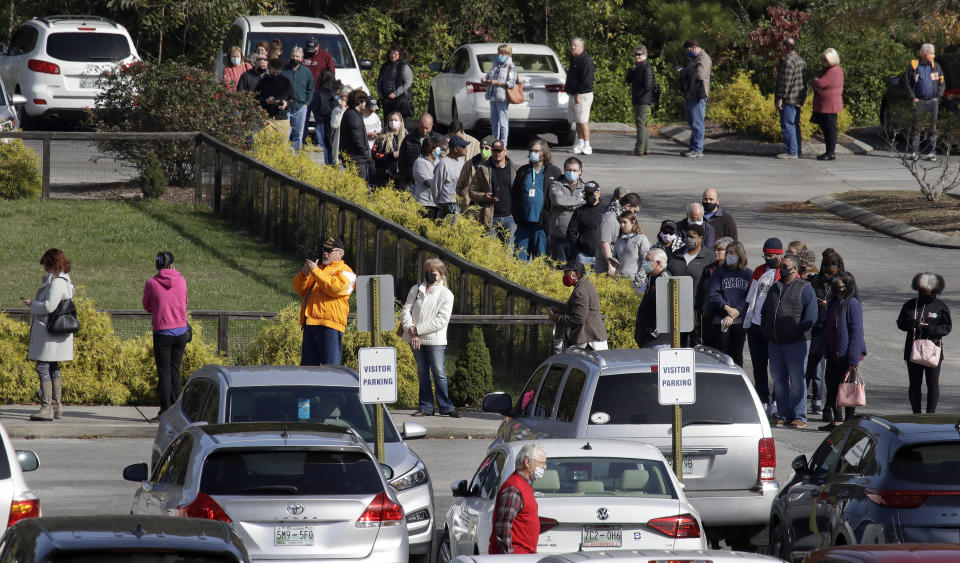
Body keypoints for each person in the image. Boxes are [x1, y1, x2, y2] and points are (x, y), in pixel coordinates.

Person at [761, 253, 818, 428]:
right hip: (775, 343)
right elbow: (764, 312)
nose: (782, 269)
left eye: (785, 266)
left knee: (797, 379)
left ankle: (799, 416)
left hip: (797, 343)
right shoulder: (775, 287)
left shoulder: (805, 288)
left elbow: (811, 317)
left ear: (795, 268)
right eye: (781, 266)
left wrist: (795, 332)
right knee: (779, 380)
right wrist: (767, 330)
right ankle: (783, 414)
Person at [401, 258, 459, 417]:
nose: (429, 274)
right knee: (422, 372)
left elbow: (441, 320)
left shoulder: (447, 295)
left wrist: (417, 330)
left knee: (439, 371)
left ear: (440, 275)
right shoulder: (416, 289)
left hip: (435, 340)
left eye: (432, 272)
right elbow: (406, 310)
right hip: (414, 338)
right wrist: (411, 329)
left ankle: (446, 407)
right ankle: (426, 407)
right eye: (427, 271)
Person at [22, 248, 75, 422]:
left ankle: (47, 408)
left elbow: (49, 306)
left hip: (49, 333)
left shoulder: (57, 282)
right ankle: (57, 406)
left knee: (42, 367)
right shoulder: (66, 280)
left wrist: (32, 304)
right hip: (56, 333)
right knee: (53, 367)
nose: (44, 268)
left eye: (46, 264)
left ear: (52, 263)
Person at [293, 236, 357, 366]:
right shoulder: (319, 270)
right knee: (308, 370)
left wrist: (315, 271)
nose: (325, 253)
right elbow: (301, 290)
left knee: (331, 369)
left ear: (340, 254)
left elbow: (334, 288)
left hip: (330, 326)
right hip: (310, 323)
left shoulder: (347, 272)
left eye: (329, 250)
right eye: (324, 249)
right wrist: (304, 275)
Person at [142, 250, 189, 417]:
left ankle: (165, 411)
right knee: (175, 370)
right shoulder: (182, 281)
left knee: (164, 373)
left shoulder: (152, 283)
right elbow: (185, 302)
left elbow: (146, 306)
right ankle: (177, 411)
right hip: (181, 331)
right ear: (172, 265)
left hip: (163, 332)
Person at [897, 272, 952, 414]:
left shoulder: (941, 307)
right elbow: (901, 323)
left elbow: (947, 327)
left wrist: (930, 329)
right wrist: (914, 324)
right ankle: (916, 413)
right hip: (913, 349)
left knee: (932, 384)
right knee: (915, 384)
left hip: (933, 350)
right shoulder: (910, 305)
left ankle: (930, 413)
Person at [818, 271, 866, 430]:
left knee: (848, 388)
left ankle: (849, 421)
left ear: (846, 287)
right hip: (833, 354)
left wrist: (853, 359)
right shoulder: (833, 303)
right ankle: (837, 419)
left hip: (846, 356)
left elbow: (857, 333)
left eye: (838, 284)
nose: (834, 286)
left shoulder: (852, 304)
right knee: (832, 386)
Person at [743, 238, 783, 412]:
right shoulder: (759, 271)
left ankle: (776, 400)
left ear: (779, 255)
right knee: (759, 365)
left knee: (777, 367)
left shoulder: (785, 272)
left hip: (774, 327)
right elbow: (750, 296)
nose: (768, 258)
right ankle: (763, 399)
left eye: (771, 255)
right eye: (765, 255)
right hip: (756, 325)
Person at [806, 249, 845, 415]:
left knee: (830, 375)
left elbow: (846, 306)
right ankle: (802, 405)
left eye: (832, 273)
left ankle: (829, 408)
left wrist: (827, 305)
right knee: (810, 368)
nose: (829, 277)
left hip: (834, 332)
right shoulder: (816, 280)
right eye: (827, 271)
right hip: (817, 330)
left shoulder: (843, 282)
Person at [489, 443, 547, 554]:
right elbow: (503, 528)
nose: (545, 467)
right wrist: (511, 558)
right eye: (542, 463)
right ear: (527, 462)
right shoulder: (514, 488)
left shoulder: (524, 485)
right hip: (515, 557)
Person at [513, 138, 560, 260]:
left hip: (542, 226)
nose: (533, 153)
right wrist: (516, 216)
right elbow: (515, 195)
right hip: (524, 225)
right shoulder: (523, 171)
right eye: (531, 150)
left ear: (544, 152)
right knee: (519, 260)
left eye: (537, 151)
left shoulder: (554, 171)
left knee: (541, 262)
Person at [706, 241, 751, 366]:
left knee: (737, 355)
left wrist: (734, 313)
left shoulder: (748, 273)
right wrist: (727, 309)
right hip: (720, 319)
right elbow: (713, 294)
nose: (729, 255)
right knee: (722, 355)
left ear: (740, 254)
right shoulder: (719, 272)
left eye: (732, 252)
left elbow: (749, 297)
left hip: (739, 320)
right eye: (728, 252)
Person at [548, 262, 608, 351]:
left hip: (589, 341)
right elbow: (578, 309)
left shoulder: (580, 291)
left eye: (566, 272)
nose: (564, 275)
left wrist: (557, 318)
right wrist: (562, 310)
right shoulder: (584, 285)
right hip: (592, 339)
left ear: (577, 274)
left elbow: (578, 318)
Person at [468, 139, 518, 244]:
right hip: (490, 217)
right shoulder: (483, 169)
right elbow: (472, 191)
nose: (497, 154)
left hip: (510, 218)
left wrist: (516, 214)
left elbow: (520, 194)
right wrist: (484, 196)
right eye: (495, 151)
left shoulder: (514, 169)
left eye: (500, 151)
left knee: (508, 252)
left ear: (505, 151)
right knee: (490, 252)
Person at [668, 223, 711, 345]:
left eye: (692, 236)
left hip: (697, 313)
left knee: (696, 345)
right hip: (676, 311)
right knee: (677, 345)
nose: (688, 239)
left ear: (701, 238)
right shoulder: (675, 255)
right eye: (686, 236)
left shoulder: (709, 258)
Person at [905, 43, 945, 161]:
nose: (933, 55)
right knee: (917, 127)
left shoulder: (936, 67)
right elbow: (906, 82)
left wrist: (937, 97)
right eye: (931, 53)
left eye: (933, 53)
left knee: (932, 127)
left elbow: (942, 83)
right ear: (923, 54)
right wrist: (913, 97)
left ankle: (932, 152)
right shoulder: (914, 66)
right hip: (919, 101)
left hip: (932, 101)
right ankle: (914, 152)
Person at [547, 157, 585, 262]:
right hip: (558, 237)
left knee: (575, 272)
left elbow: (589, 203)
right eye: (569, 170)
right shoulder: (556, 185)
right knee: (558, 269)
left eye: (574, 170)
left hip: (577, 238)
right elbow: (558, 200)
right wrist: (579, 200)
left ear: (580, 172)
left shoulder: (585, 188)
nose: (571, 172)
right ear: (564, 170)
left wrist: (567, 202)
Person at [774, 38, 807, 159]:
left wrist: (780, 98)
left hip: (789, 99)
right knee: (795, 125)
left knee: (787, 124)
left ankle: (792, 151)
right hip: (798, 98)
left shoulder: (787, 61)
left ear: (786, 48)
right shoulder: (800, 60)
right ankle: (797, 149)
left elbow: (785, 82)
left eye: (782, 46)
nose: (781, 48)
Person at [678, 39, 712, 158]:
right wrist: (683, 72)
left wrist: (684, 72)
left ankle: (698, 149)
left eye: (689, 51)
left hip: (699, 94)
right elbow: (690, 72)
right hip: (690, 93)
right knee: (692, 122)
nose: (688, 54)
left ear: (694, 47)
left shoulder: (704, 58)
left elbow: (700, 75)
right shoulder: (694, 59)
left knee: (698, 122)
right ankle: (692, 147)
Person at [482, 44, 518, 147]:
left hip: (502, 97)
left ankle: (503, 145)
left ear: (509, 54)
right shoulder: (495, 64)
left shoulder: (511, 66)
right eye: (500, 53)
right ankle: (495, 142)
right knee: (494, 120)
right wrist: (485, 78)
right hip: (492, 95)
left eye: (504, 53)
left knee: (503, 122)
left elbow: (511, 84)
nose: (501, 55)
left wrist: (497, 83)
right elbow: (489, 75)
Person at [700, 236, 733, 347]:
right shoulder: (708, 269)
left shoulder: (736, 270)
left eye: (719, 250)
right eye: (715, 249)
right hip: (709, 315)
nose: (716, 252)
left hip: (727, 316)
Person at [598, 192, 643, 275]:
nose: (635, 215)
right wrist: (610, 264)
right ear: (628, 206)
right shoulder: (610, 218)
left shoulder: (625, 219)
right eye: (634, 211)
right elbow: (604, 243)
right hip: (606, 267)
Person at [811, 48, 844, 161]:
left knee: (830, 129)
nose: (823, 62)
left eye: (826, 60)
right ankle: (828, 151)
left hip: (830, 105)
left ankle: (830, 153)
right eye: (823, 59)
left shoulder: (834, 70)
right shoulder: (826, 69)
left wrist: (815, 80)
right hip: (824, 105)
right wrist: (816, 82)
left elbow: (820, 82)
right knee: (826, 129)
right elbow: (818, 83)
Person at [634, 248, 671, 347]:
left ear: (658, 263)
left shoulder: (665, 279)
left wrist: (652, 333)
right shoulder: (651, 277)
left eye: (648, 260)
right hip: (646, 339)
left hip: (658, 341)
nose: (645, 262)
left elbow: (666, 311)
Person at [282, 46, 315, 153]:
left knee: (298, 136)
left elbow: (310, 89)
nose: (295, 58)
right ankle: (283, 158)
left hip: (300, 108)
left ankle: (296, 157)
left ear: (301, 58)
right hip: (285, 108)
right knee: (284, 135)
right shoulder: (284, 70)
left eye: (297, 56)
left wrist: (306, 104)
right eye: (293, 56)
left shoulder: (307, 72)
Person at [566, 38, 595, 155]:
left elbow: (587, 81)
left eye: (576, 45)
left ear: (582, 48)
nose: (573, 47)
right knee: (577, 121)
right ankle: (580, 144)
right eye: (572, 45)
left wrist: (578, 93)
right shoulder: (574, 59)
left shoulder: (585, 61)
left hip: (582, 95)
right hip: (574, 95)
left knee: (583, 121)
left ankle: (587, 145)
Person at [625, 44, 656, 156]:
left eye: (639, 54)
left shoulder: (647, 67)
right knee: (643, 124)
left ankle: (639, 149)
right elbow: (627, 80)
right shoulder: (637, 67)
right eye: (635, 54)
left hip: (643, 99)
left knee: (640, 123)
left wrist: (638, 95)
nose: (637, 56)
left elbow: (647, 86)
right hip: (638, 98)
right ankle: (646, 148)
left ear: (645, 55)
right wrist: (631, 70)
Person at [566, 181, 605, 270]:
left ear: (598, 193)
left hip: (602, 257)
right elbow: (571, 232)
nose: (589, 196)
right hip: (584, 257)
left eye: (591, 193)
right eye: (587, 193)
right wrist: (578, 252)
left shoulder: (606, 210)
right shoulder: (579, 211)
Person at [255, 58, 293, 143]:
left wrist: (286, 103)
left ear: (281, 70)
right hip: (267, 119)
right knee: (266, 147)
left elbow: (293, 100)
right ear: (269, 68)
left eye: (278, 73)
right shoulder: (263, 81)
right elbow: (255, 99)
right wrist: (265, 101)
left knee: (282, 150)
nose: (275, 75)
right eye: (273, 73)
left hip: (283, 120)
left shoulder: (286, 82)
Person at [399, 114, 443, 188]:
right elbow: (401, 162)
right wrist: (408, 178)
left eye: (427, 128)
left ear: (432, 125)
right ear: (418, 124)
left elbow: (440, 159)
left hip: (432, 182)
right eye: (422, 127)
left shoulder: (437, 140)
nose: (424, 131)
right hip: (411, 183)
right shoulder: (408, 140)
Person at [612, 210, 651, 293]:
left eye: (624, 222)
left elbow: (647, 260)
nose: (621, 225)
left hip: (636, 282)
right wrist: (613, 261)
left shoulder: (641, 239)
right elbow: (615, 257)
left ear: (633, 222)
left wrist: (639, 278)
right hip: (620, 281)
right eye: (620, 222)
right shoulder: (619, 240)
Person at [339, 89, 373, 182]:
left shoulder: (353, 114)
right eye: (365, 101)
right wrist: (367, 155)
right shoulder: (353, 116)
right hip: (356, 160)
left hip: (355, 158)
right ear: (360, 102)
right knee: (358, 187)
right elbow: (357, 140)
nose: (366, 103)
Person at [457, 134, 495, 214]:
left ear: (492, 149)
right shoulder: (470, 164)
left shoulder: (496, 165)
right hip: (471, 206)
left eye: (487, 148)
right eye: (482, 148)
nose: (484, 150)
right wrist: (463, 200)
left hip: (490, 208)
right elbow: (459, 186)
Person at [435, 135, 469, 219]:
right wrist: (439, 204)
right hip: (446, 205)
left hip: (459, 204)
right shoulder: (443, 163)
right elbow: (435, 187)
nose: (466, 148)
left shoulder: (461, 161)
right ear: (456, 149)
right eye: (463, 146)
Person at [377, 46, 415, 119]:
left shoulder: (404, 66)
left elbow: (408, 83)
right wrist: (379, 91)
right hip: (386, 100)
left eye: (395, 53)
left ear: (399, 54)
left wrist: (396, 93)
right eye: (391, 53)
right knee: (388, 121)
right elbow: (379, 81)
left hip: (400, 101)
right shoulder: (384, 66)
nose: (393, 55)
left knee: (399, 122)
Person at [372, 111, 407, 187]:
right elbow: (374, 154)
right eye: (391, 120)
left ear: (401, 122)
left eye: (395, 120)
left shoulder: (407, 137)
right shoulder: (381, 137)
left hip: (401, 178)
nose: (393, 122)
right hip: (385, 177)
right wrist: (390, 155)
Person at [412, 137, 441, 218]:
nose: (439, 150)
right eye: (437, 148)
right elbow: (428, 182)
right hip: (425, 204)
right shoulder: (420, 162)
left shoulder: (438, 161)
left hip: (437, 203)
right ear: (432, 149)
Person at [310, 69, 336, 158]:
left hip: (322, 120)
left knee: (325, 145)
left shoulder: (319, 92)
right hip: (331, 120)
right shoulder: (334, 91)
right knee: (331, 143)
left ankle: (328, 163)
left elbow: (315, 106)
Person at [328, 85, 351, 166]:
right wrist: (342, 110)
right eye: (342, 96)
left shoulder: (353, 109)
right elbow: (334, 125)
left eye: (346, 96)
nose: (344, 99)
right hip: (339, 143)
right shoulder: (337, 109)